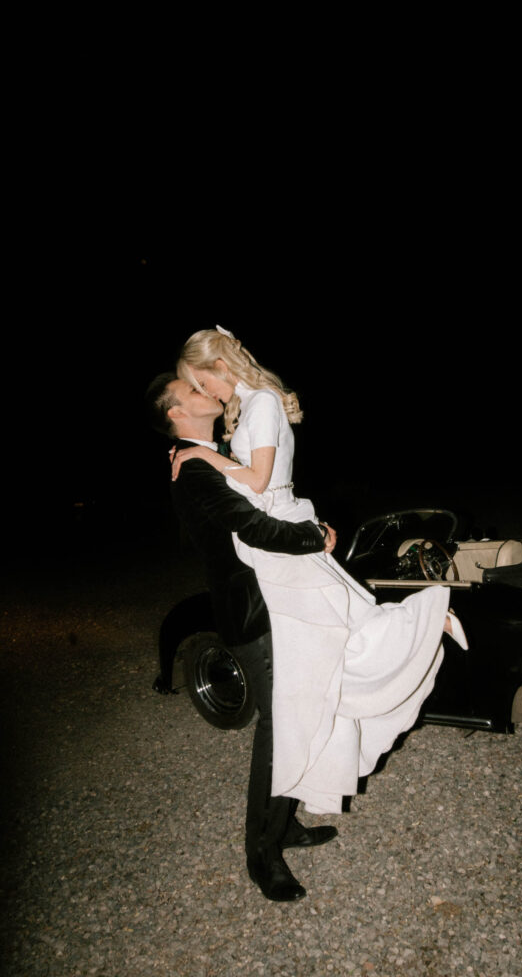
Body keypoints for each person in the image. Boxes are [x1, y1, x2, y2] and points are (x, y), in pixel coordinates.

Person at [171, 327, 469, 817]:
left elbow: (259, 480)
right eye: (197, 391)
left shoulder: (262, 402)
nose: (208, 395)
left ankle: (427, 618)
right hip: (275, 536)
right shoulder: (250, 403)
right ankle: (311, 785)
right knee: (327, 639)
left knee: (336, 631)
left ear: (219, 368)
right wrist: (210, 457)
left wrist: (204, 454)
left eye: (204, 385)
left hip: (281, 532)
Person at [146, 372, 340, 903]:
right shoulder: (190, 470)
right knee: (281, 725)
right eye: (190, 391)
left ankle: (284, 822)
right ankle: (262, 852)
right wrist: (314, 535)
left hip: (276, 595)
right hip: (252, 608)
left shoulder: (212, 452)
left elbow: (263, 491)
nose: (204, 390)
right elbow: (251, 528)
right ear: (175, 415)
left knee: (298, 712)